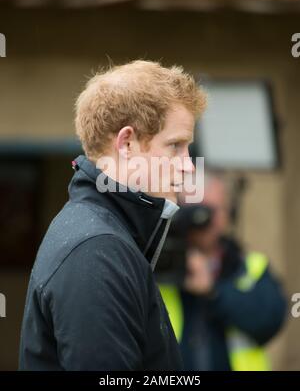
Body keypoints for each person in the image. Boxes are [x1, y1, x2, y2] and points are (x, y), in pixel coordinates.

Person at [19, 60, 207, 370]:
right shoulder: (97, 251)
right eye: (175, 146)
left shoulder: (102, 235)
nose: (188, 165)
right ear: (127, 143)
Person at [159, 174, 287, 370]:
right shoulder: (158, 267)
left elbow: (268, 321)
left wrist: (213, 291)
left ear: (229, 213)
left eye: (213, 210)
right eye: (197, 208)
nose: (204, 219)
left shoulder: (249, 266)